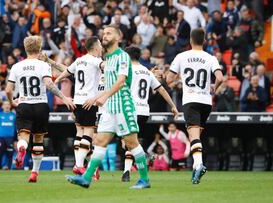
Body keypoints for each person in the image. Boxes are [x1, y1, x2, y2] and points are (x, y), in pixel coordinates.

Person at [66, 25, 151, 190]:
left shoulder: (123, 57)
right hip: (110, 107)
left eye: (109, 33)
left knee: (132, 143)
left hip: (123, 106)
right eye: (103, 33)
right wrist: (95, 97)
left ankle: (145, 179)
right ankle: (86, 178)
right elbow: (109, 85)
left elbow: (121, 81)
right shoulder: (109, 59)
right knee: (99, 142)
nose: (104, 36)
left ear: (118, 37)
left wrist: (103, 97)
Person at [5, 36, 75, 182]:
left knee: (23, 136)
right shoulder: (43, 65)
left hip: (24, 104)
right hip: (41, 105)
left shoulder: (17, 66)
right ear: (40, 48)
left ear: (25, 48)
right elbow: (49, 84)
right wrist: (64, 98)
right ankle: (34, 173)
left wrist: (12, 101)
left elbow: (8, 89)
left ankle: (22, 148)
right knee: (38, 140)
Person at [166, 28, 224, 184]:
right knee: (197, 137)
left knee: (194, 136)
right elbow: (220, 77)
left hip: (190, 101)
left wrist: (179, 80)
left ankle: (198, 165)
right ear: (204, 40)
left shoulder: (182, 56)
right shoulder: (210, 58)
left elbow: (169, 80)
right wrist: (214, 88)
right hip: (206, 102)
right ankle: (195, 171)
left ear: (190, 40)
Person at [43, 36, 103, 178]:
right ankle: (80, 165)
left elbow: (68, 71)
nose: (101, 47)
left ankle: (84, 166)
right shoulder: (97, 61)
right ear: (95, 47)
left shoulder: (79, 60)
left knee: (79, 132)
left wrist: (56, 79)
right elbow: (104, 67)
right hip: (90, 101)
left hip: (77, 101)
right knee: (89, 133)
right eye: (100, 44)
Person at [121, 46, 179, 182]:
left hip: (130, 110)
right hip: (144, 112)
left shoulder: (126, 70)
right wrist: (173, 106)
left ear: (128, 57)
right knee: (130, 140)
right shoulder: (147, 73)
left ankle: (144, 156)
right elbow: (162, 90)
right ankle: (126, 172)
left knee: (127, 142)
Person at [0, 101, 16, 170]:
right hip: (0, 137)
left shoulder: (13, 115)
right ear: (2, 106)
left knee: (10, 154)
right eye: (5, 104)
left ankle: (9, 168)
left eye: (8, 104)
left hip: (10, 138)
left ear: (10, 106)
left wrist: (16, 139)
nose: (7, 106)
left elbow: (16, 128)